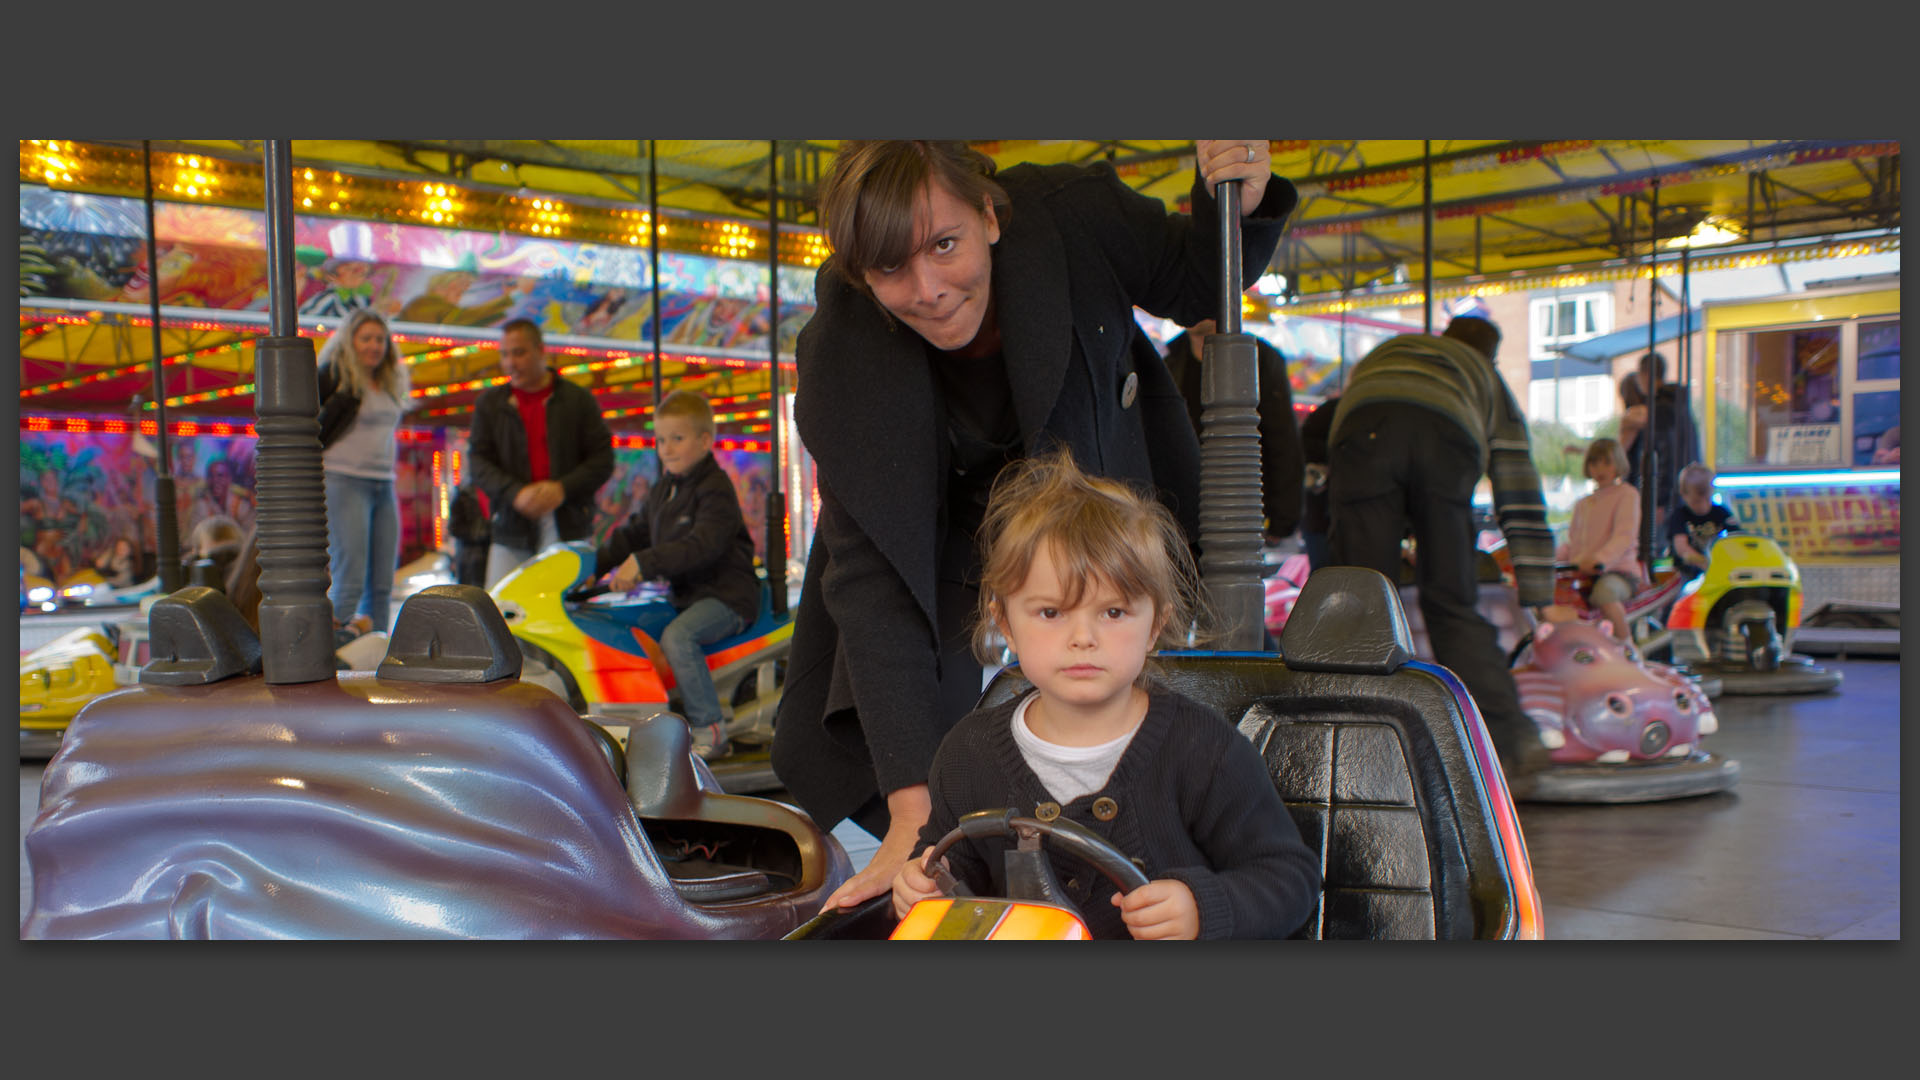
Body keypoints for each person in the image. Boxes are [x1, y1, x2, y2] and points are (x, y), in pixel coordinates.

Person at [770, 139, 1298, 912]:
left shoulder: (1071, 215)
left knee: (1143, 732)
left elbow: (1196, 280)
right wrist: (915, 817)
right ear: (858, 275)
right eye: (890, 270)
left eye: (944, 245)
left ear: (988, 213)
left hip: (1095, 520)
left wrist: (1237, 195)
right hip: (937, 566)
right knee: (920, 787)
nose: (929, 290)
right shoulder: (842, 355)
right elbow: (877, 584)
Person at [889, 449, 1320, 939]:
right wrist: (922, 886)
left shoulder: (1206, 751)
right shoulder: (968, 753)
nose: (1083, 638)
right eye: (1051, 613)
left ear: (1155, 622)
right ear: (1004, 622)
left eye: (1113, 613)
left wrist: (1203, 907)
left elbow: (1289, 878)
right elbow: (947, 859)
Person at [1326, 316, 1574, 795]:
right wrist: (1538, 589)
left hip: (1364, 429)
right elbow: (1516, 488)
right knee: (1451, 603)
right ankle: (1511, 747)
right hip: (1448, 438)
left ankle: (1354, 753)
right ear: (1490, 356)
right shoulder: (1482, 377)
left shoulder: (1397, 351)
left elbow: (1345, 425)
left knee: (1361, 602)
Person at [595, 390, 761, 760]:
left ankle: (711, 729)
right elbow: (634, 532)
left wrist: (645, 562)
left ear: (705, 441)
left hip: (726, 595)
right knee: (628, 623)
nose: (666, 449)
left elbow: (702, 545)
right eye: (661, 440)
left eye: (678, 439)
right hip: (687, 595)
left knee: (678, 637)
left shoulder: (715, 489)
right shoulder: (664, 489)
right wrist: (593, 562)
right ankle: (650, 720)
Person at [469, 318, 615, 587]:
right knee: (499, 613)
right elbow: (478, 463)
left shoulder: (578, 401)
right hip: (510, 525)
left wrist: (562, 489)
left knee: (565, 609)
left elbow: (603, 459)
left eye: (519, 352)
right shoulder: (490, 405)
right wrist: (515, 493)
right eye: (504, 354)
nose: (511, 362)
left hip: (567, 522)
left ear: (541, 351)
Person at [1159, 319, 1305, 544]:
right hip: (1181, 514)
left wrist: (1283, 517)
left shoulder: (1259, 358)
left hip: (1239, 509)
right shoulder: (1171, 360)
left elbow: (1282, 441)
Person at [317, 308, 411, 634]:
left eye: (380, 340)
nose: (374, 346)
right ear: (350, 341)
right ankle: (335, 649)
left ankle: (379, 651)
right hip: (343, 479)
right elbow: (313, 425)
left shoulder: (387, 382)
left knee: (382, 580)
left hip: (383, 482)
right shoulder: (334, 376)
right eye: (366, 338)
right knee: (351, 575)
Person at [1557, 438, 1641, 643]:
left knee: (1605, 594)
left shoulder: (1627, 495)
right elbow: (1574, 541)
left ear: (1618, 464)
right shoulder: (1583, 503)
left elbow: (1623, 536)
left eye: (1607, 463)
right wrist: (1556, 559)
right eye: (1594, 463)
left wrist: (1599, 560)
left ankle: (1627, 649)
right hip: (1584, 571)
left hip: (1618, 571)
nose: (1600, 469)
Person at [1622, 351, 1699, 541]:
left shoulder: (1659, 411)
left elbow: (1665, 456)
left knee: (1656, 548)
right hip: (1680, 490)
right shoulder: (1677, 405)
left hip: (1663, 496)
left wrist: (1659, 500)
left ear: (1645, 375)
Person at [1665, 462, 1740, 582]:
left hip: (1716, 567)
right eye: (1696, 501)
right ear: (1683, 495)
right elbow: (1681, 547)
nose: (1703, 506)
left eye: (1707, 499)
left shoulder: (1721, 512)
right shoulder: (1679, 516)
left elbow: (1738, 537)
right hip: (1686, 570)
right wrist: (1705, 563)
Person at [1297, 396, 1339, 571]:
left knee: (1323, 574)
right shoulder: (1335, 411)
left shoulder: (1329, 410)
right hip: (1323, 516)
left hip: (1316, 516)